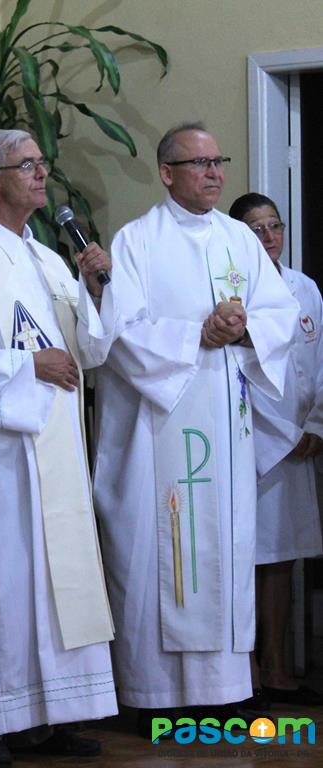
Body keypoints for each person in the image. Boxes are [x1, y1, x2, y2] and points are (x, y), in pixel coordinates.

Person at [90, 123, 299, 735]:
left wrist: (244, 327)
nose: (213, 173)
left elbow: (279, 312)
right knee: (166, 552)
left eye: (218, 161)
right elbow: (118, 331)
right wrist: (194, 335)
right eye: (199, 163)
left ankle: (226, 690)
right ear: (166, 173)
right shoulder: (137, 242)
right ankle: (155, 693)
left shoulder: (239, 238)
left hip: (225, 427)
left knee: (224, 549)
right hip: (164, 427)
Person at [0, 129, 118, 767]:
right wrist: (29, 367)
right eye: (26, 165)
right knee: (1, 583)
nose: (41, 174)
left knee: (56, 583)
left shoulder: (47, 258)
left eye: (41, 164)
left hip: (54, 443)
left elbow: (87, 351)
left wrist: (93, 289)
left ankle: (54, 711)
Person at [229, 192, 323, 706]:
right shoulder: (232, 292)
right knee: (245, 558)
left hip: (299, 445)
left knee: (284, 559)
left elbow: (318, 367)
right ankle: (247, 675)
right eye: (257, 229)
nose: (269, 237)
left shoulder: (305, 289)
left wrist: (316, 425)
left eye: (275, 226)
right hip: (254, 443)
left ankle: (280, 668)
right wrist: (282, 432)